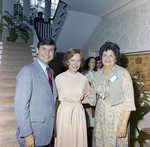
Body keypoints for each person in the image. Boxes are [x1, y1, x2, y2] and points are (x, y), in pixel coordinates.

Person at [14, 38, 57, 147]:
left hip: (45, 133)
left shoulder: (50, 72)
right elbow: (20, 106)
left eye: (51, 50)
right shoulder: (27, 71)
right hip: (33, 133)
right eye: (44, 49)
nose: (47, 52)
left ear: (54, 53)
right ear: (37, 50)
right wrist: (27, 134)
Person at [92, 42, 136, 146]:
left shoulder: (123, 73)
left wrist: (123, 125)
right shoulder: (97, 74)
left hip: (116, 118)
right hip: (100, 118)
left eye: (111, 55)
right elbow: (90, 97)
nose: (107, 58)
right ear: (101, 57)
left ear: (116, 58)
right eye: (105, 55)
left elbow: (129, 102)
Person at [54, 48, 91, 147]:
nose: (75, 64)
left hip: (78, 114)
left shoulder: (84, 79)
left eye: (78, 60)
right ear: (67, 61)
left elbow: (87, 98)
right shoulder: (59, 78)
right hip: (64, 113)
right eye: (72, 60)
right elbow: (54, 98)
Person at [82, 57, 96, 146]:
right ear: (88, 63)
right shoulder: (83, 74)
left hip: (95, 102)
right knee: (87, 124)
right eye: (92, 62)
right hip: (86, 103)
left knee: (94, 124)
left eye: (94, 62)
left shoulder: (98, 73)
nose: (93, 64)